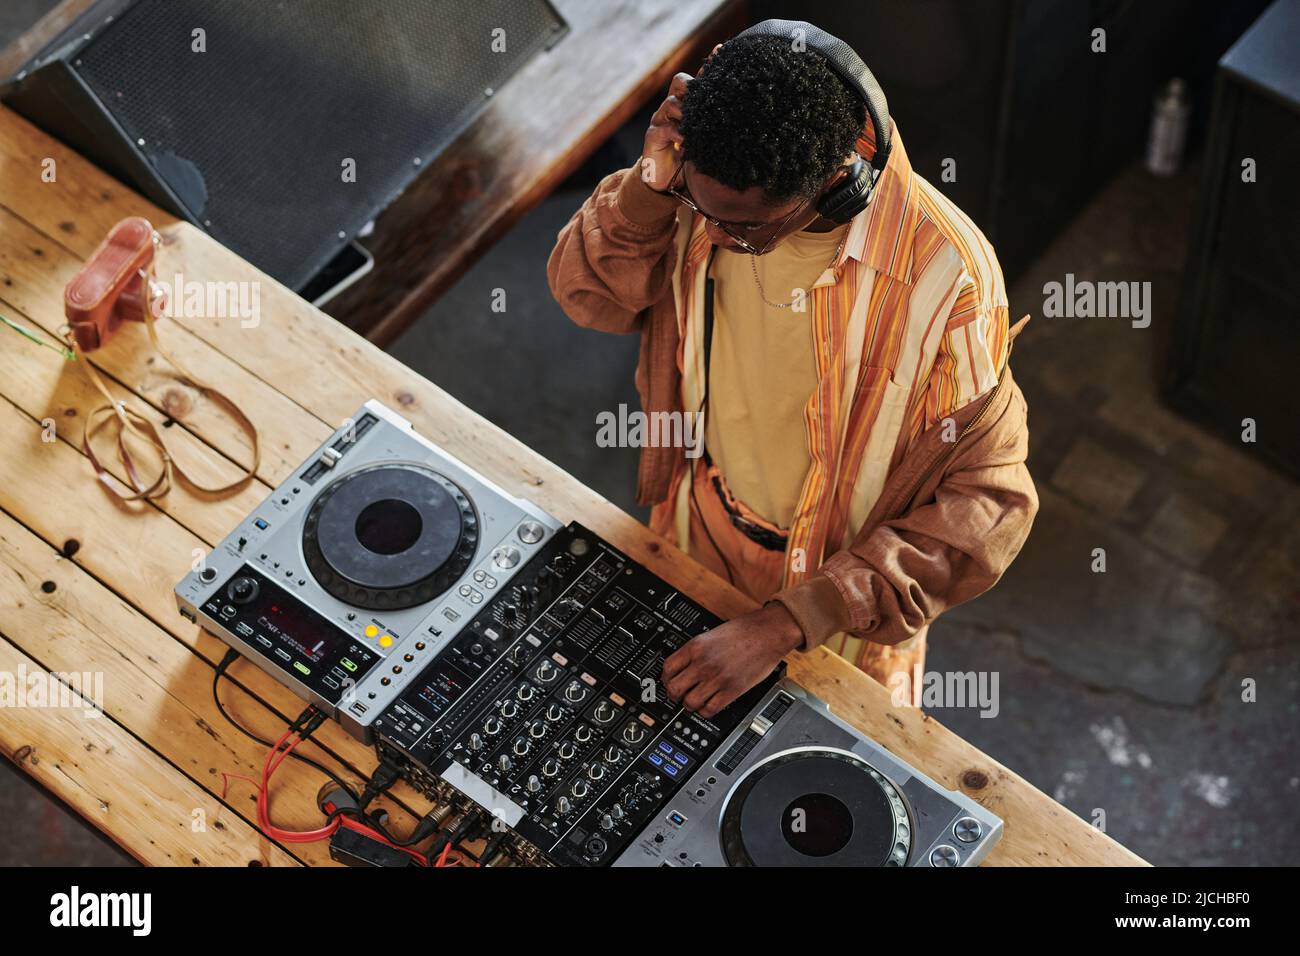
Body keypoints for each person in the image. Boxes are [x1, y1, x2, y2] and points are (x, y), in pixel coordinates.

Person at [547, 21, 1037, 718]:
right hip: (695, 524)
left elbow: (988, 507)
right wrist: (652, 190)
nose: (712, 235)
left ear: (835, 185)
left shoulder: (950, 278)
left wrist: (785, 622)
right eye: (700, 208)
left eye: (743, 227)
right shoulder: (692, 183)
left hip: (838, 607)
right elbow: (585, 295)